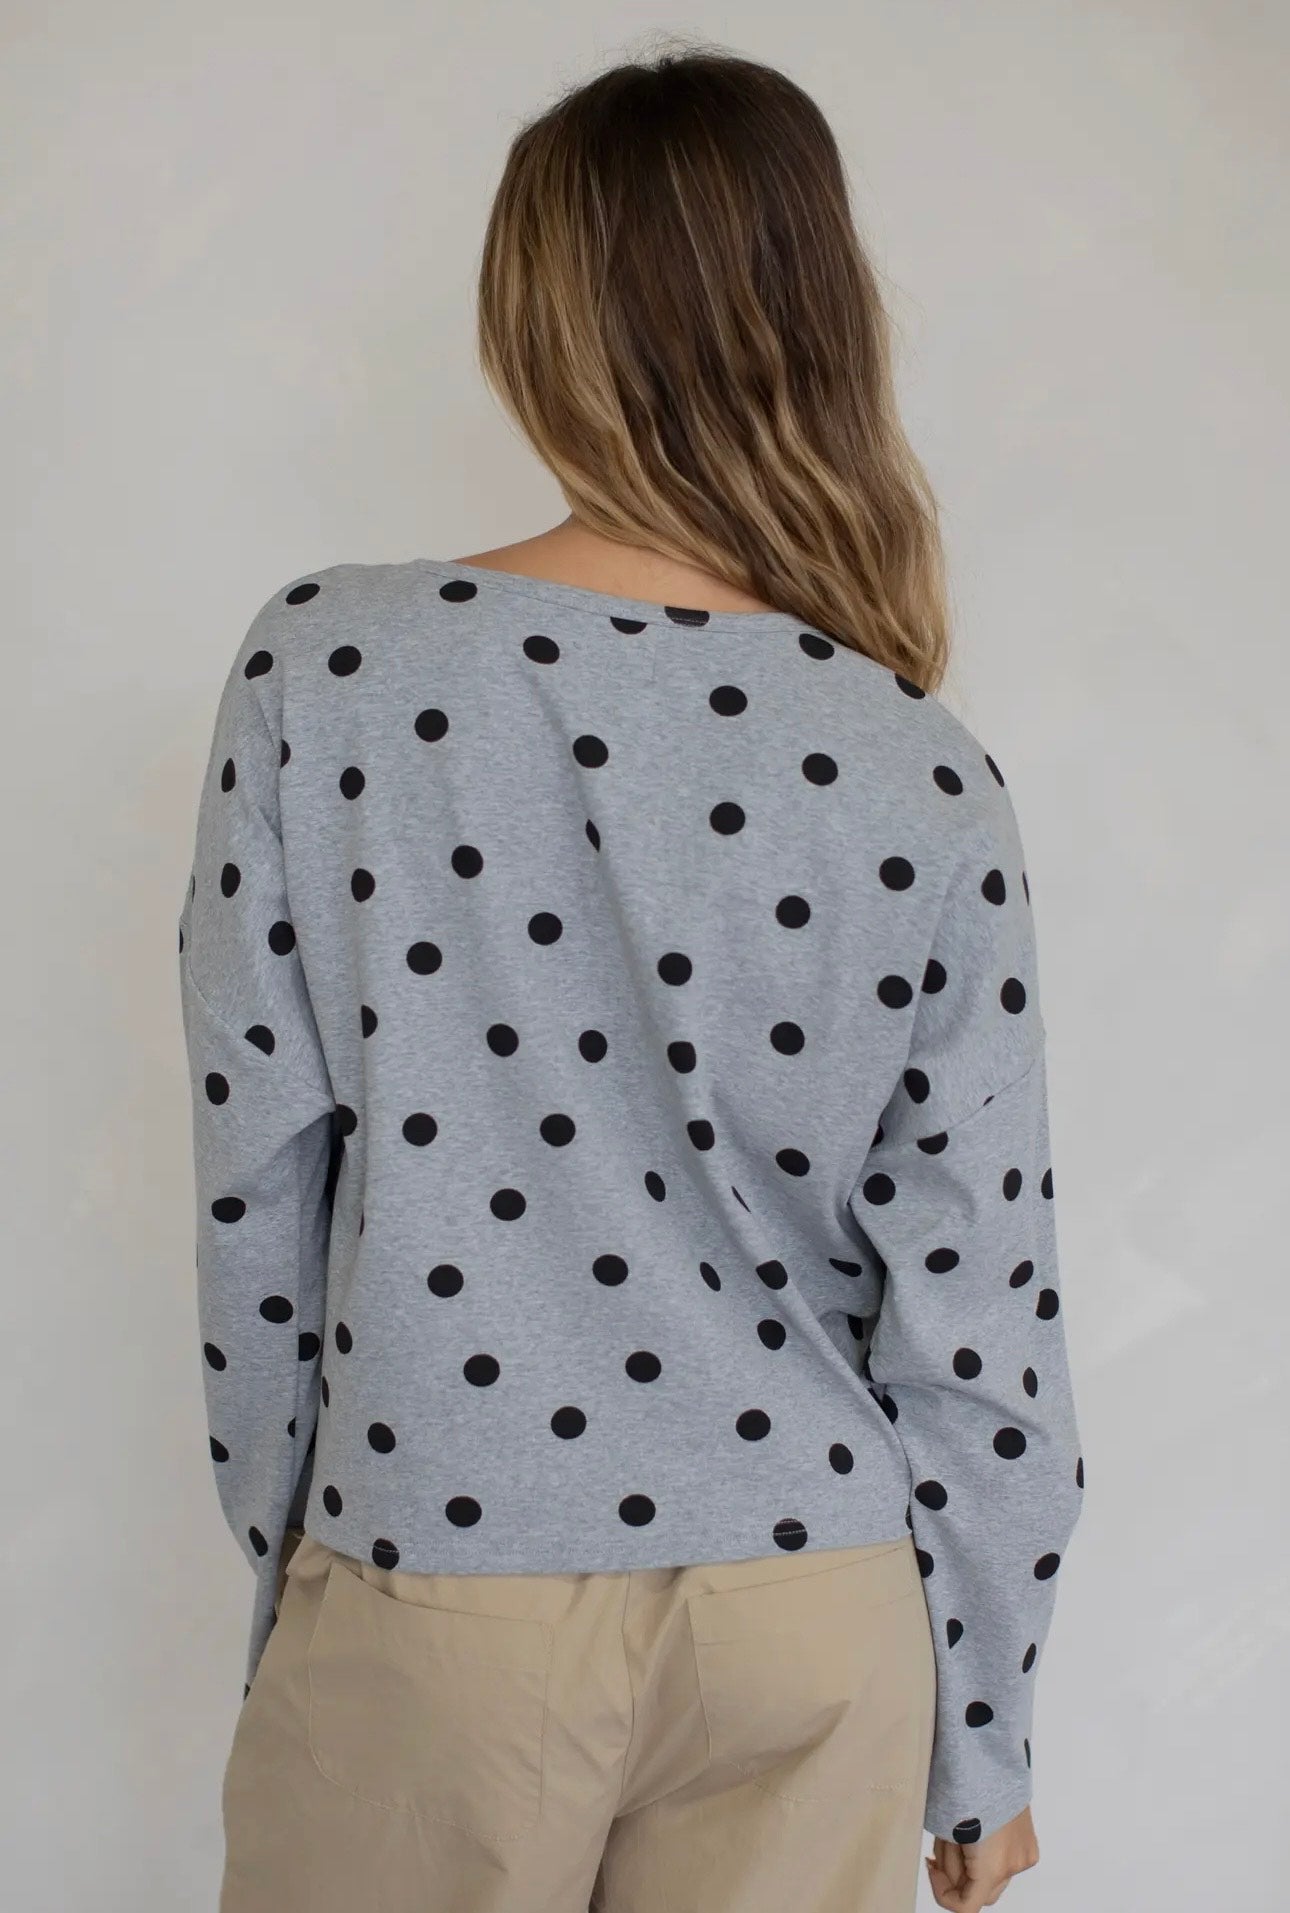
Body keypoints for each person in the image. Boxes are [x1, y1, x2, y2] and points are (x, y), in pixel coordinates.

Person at [176, 40, 1084, 1913]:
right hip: (819, 1609)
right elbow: (978, 1303)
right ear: (818, 317)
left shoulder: (336, 671)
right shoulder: (916, 761)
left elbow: (256, 1185)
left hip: (450, 1569)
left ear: (541, 320)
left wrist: (303, 1578)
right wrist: (982, 1727)